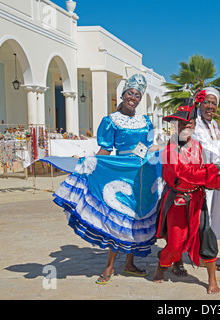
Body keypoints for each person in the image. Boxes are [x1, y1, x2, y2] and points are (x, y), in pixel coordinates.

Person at [53, 74, 162, 285]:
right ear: (123, 95)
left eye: (138, 95)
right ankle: (110, 265)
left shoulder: (146, 121)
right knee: (118, 217)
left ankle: (129, 264)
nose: (134, 98)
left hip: (143, 173)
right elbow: (105, 149)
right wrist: (91, 164)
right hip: (120, 172)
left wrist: (156, 152)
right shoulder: (110, 121)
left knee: (134, 218)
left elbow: (148, 146)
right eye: (130, 93)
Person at [153, 99, 220, 294]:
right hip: (176, 201)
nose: (185, 126)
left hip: (197, 200)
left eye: (189, 123)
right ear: (176, 125)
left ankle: (212, 280)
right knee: (175, 244)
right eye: (181, 123)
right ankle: (162, 265)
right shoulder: (171, 148)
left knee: (207, 238)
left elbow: (201, 177)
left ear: (194, 124)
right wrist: (219, 165)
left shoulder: (198, 146)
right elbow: (186, 173)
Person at [192, 87, 220, 241]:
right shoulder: (194, 123)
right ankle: (201, 253)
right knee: (202, 215)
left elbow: (218, 147)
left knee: (214, 214)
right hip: (201, 176)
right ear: (199, 103)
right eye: (206, 102)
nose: (210, 106)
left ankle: (208, 251)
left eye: (214, 103)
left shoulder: (214, 124)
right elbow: (202, 147)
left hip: (215, 174)